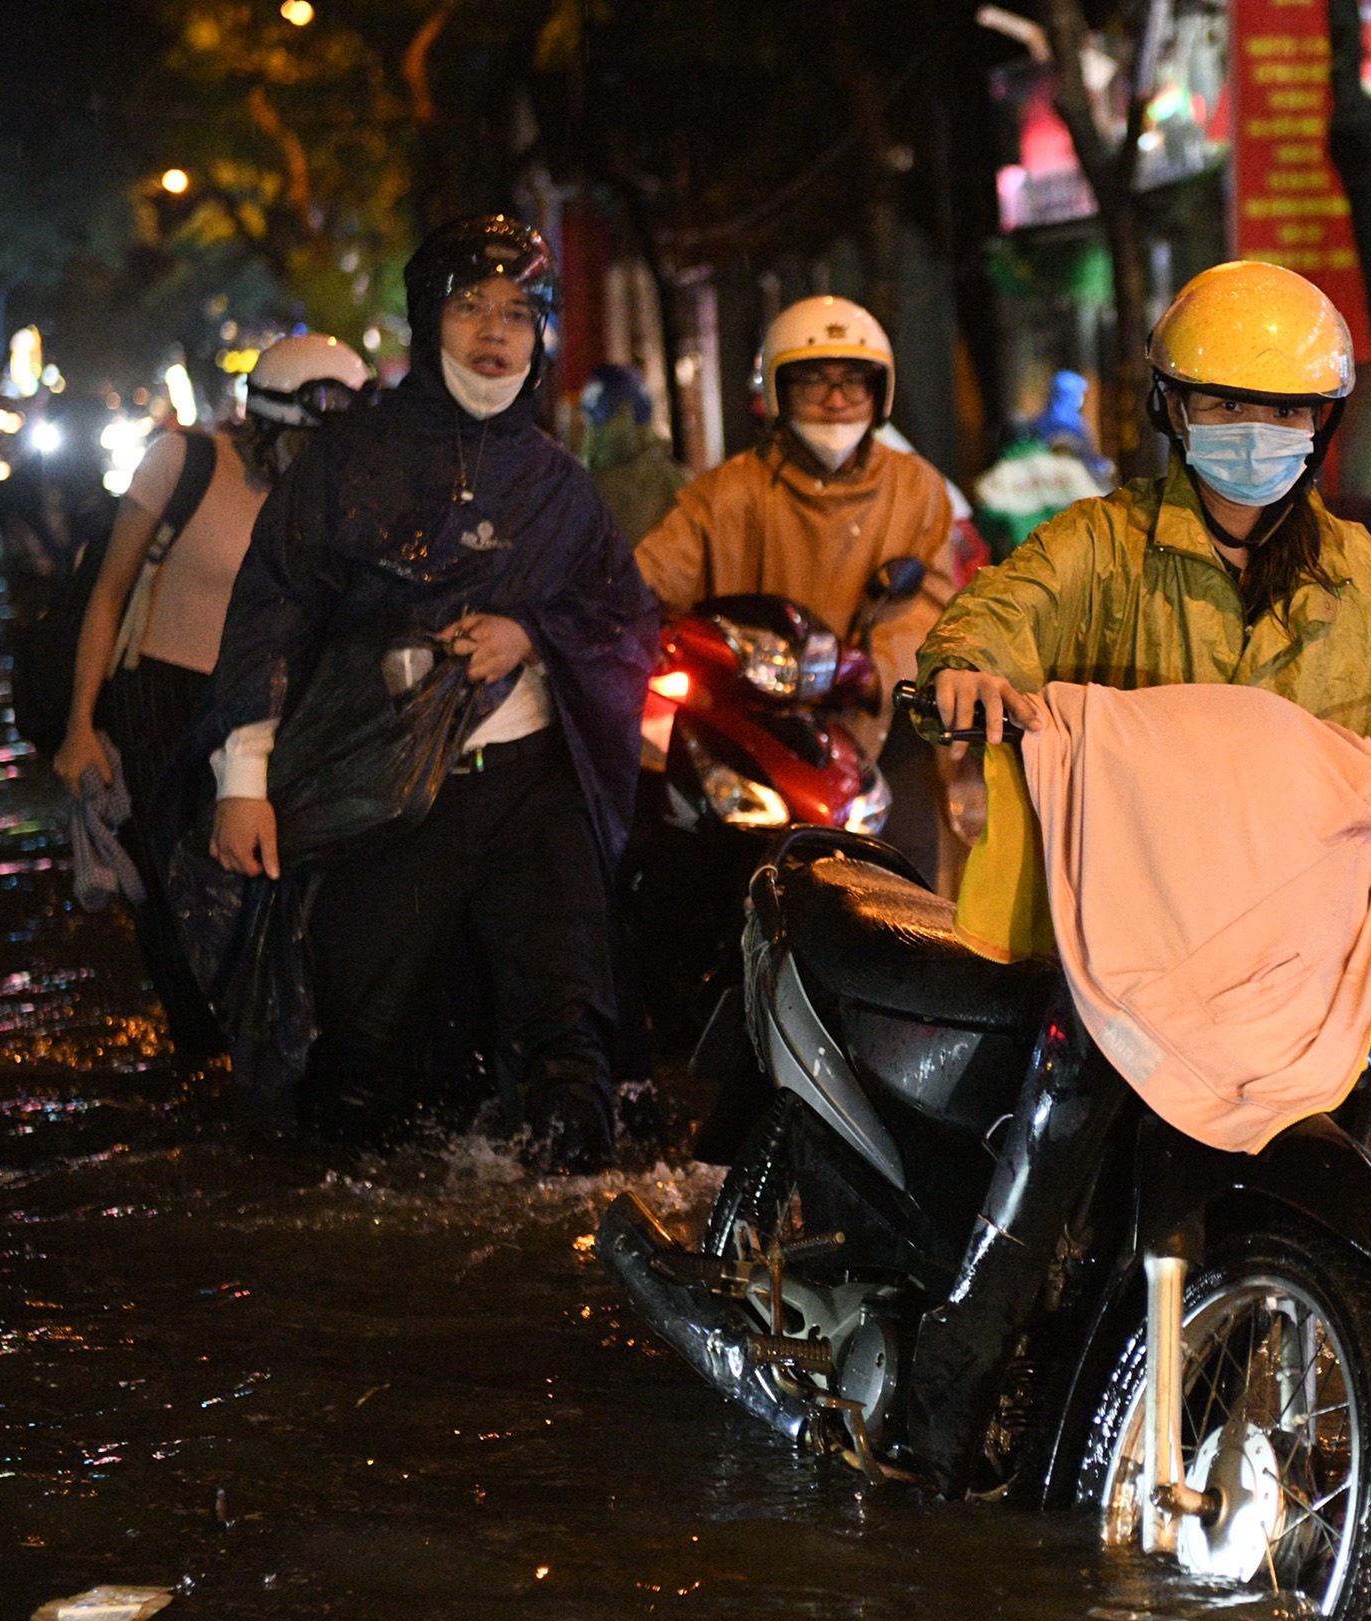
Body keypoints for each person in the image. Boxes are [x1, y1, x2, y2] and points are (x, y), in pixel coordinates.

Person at [901, 259, 1371, 1489]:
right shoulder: (1103, 545)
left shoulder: (1359, 579)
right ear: (1173, 412)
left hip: (1299, 964)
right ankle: (940, 1394)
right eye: (1225, 406)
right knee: (1045, 1164)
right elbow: (992, 620)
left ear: (1320, 428)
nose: (1254, 435)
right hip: (1135, 941)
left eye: (1281, 412)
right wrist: (968, 671)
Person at [199, 215, 656, 1171]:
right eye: (470, 308)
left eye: (518, 313)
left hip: (535, 788)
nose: (495, 332)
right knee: (366, 1050)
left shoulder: (562, 486)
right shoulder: (346, 464)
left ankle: (575, 1245)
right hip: (387, 794)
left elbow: (621, 616)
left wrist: (531, 633)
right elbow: (271, 611)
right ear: (426, 321)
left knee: (569, 1029)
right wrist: (242, 780)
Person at [53, 334, 371, 1055]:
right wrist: (79, 724)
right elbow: (106, 595)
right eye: (303, 441)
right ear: (263, 422)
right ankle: (201, 1060)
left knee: (268, 891)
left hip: (269, 713)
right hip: (161, 706)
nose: (317, 459)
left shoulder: (339, 496)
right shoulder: (184, 462)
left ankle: (260, 1053)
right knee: (174, 897)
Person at [631, 295, 958, 882]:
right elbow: (646, 581)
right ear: (779, 391)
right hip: (752, 727)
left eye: (854, 383)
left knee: (912, 890)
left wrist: (868, 667)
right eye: (813, 382)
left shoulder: (917, 488)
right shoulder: (726, 493)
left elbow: (932, 602)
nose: (836, 400)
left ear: (879, 393)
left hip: (877, 720)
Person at [578, 362, 688, 547]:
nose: (594, 432)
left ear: (627, 413)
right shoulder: (672, 478)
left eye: (606, 417)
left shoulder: (667, 482)